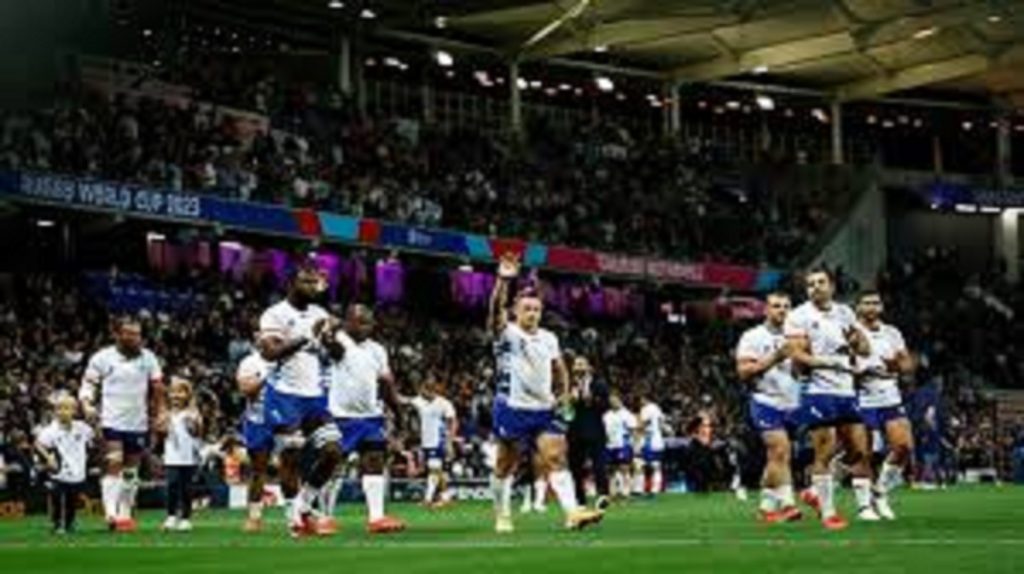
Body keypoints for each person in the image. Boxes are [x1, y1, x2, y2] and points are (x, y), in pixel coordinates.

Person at [487, 253, 603, 533]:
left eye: (536, 310)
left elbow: (559, 367)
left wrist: (563, 394)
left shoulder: (549, 338)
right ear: (516, 311)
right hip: (512, 407)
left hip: (544, 408)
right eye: (527, 309)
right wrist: (503, 280)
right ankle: (502, 514)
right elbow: (493, 314)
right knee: (505, 464)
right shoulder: (508, 333)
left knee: (556, 457)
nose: (532, 314)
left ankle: (572, 512)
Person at [257, 264, 343, 537]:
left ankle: (304, 505)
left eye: (315, 282)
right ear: (291, 284)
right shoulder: (275, 314)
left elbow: (337, 354)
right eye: (306, 281)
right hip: (284, 395)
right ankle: (294, 519)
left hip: (315, 396)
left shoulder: (320, 314)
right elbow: (270, 353)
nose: (312, 287)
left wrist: (330, 337)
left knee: (333, 452)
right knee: (291, 457)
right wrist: (308, 335)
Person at [785, 268, 872, 530]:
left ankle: (815, 491)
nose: (815, 287)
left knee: (858, 451)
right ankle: (828, 512)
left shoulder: (845, 312)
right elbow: (796, 353)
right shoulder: (798, 316)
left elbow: (863, 348)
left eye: (821, 282)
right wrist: (830, 363)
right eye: (810, 284)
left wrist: (857, 342)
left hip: (846, 389)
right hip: (819, 389)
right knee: (824, 449)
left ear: (832, 287)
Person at [324, 304, 406, 533]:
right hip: (341, 416)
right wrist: (329, 332)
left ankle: (376, 518)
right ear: (347, 322)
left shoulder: (377, 350)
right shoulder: (339, 340)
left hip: (371, 416)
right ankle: (324, 516)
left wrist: (398, 413)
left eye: (368, 322)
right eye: (360, 322)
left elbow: (386, 384)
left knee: (374, 461)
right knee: (333, 465)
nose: (365, 327)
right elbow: (332, 349)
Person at [79, 317, 165, 532]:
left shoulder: (148, 358)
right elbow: (88, 384)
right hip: (111, 420)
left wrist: (159, 414)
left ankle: (125, 513)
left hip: (137, 422)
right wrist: (87, 404)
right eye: (131, 334)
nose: (136, 338)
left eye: (138, 334)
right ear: (117, 335)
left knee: (131, 470)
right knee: (113, 463)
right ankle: (110, 513)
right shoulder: (102, 358)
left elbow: (157, 388)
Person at [736, 292, 802, 523]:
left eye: (786, 306)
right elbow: (744, 371)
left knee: (777, 457)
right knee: (780, 449)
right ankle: (788, 504)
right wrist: (776, 357)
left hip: (792, 403)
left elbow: (802, 371)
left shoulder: (797, 337)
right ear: (766, 310)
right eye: (776, 306)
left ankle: (765, 507)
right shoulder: (752, 336)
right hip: (765, 401)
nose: (782, 310)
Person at [855, 290, 915, 520]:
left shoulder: (892, 332)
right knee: (863, 452)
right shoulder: (850, 331)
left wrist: (896, 365)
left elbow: (906, 364)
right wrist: (862, 371)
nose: (872, 307)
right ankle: (864, 506)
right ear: (858, 307)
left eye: (876, 303)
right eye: (867, 303)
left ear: (881, 307)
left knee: (904, 447)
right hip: (861, 396)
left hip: (889, 395)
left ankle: (880, 492)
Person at [35, 393, 94, 534]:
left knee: (72, 501)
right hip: (59, 472)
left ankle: (69, 523)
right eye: (59, 408)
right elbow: (38, 444)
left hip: (77, 472)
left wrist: (93, 417)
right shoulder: (50, 430)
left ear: (74, 410)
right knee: (57, 498)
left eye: (67, 408)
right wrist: (48, 458)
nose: (62, 411)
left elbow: (94, 437)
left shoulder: (82, 428)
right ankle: (57, 524)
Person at [236, 348, 275, 532]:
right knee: (258, 469)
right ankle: (254, 516)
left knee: (294, 466)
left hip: (286, 419)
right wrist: (267, 379)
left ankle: (297, 515)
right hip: (257, 421)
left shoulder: (292, 360)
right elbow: (245, 390)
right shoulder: (250, 362)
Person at [402, 379, 457, 507]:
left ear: (431, 390)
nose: (421, 392)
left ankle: (428, 499)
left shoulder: (444, 403)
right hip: (426, 441)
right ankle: (445, 497)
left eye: (424, 389)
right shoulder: (419, 401)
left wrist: (449, 441)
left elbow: (453, 422)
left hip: (438, 440)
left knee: (434, 467)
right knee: (437, 470)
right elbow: (404, 400)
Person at [567, 356, 610, 509]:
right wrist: (568, 401)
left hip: (595, 429)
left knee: (599, 465)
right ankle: (580, 500)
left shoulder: (599, 384)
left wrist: (591, 400)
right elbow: (564, 410)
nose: (578, 367)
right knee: (576, 467)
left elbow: (606, 406)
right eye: (576, 364)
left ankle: (603, 495)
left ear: (589, 367)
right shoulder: (569, 384)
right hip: (575, 431)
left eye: (581, 364)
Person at [162, 377, 203, 532]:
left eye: (180, 392)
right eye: (173, 392)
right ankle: (171, 515)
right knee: (172, 484)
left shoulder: (193, 412)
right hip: (171, 455)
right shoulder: (166, 413)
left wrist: (193, 424)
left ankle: (186, 518)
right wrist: (163, 424)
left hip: (189, 456)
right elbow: (160, 431)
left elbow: (197, 432)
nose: (176, 395)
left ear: (188, 394)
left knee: (186, 487)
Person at [602, 393, 637, 500]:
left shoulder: (627, 414)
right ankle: (613, 491)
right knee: (610, 469)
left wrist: (634, 444)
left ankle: (626, 491)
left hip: (622, 445)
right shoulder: (606, 415)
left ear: (620, 401)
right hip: (609, 445)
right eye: (611, 401)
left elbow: (633, 430)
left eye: (615, 400)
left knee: (624, 467)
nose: (613, 402)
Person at [635, 395, 667, 495]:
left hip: (648, 440)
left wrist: (636, 429)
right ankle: (655, 489)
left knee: (640, 464)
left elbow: (643, 424)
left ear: (644, 399)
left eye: (640, 400)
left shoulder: (646, 409)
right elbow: (662, 422)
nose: (639, 402)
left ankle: (639, 489)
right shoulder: (657, 408)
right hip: (658, 440)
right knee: (656, 465)